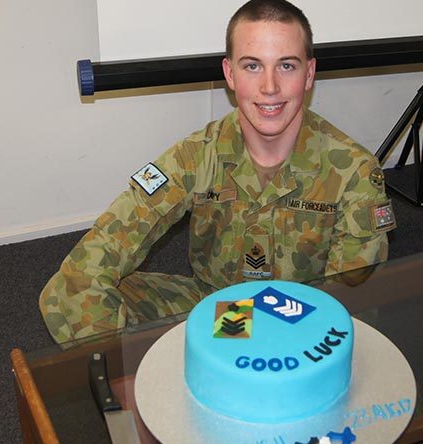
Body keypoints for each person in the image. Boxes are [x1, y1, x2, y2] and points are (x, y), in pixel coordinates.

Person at [39, 0, 396, 344]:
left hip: (304, 320)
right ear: (229, 74)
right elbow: (99, 253)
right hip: (215, 307)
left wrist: (265, 339)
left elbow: (351, 297)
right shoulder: (196, 156)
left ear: (309, 74)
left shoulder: (353, 170)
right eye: (252, 66)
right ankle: (185, 366)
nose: (269, 87)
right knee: (66, 295)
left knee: (355, 333)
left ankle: (210, 366)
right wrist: (126, 372)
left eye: (286, 66)